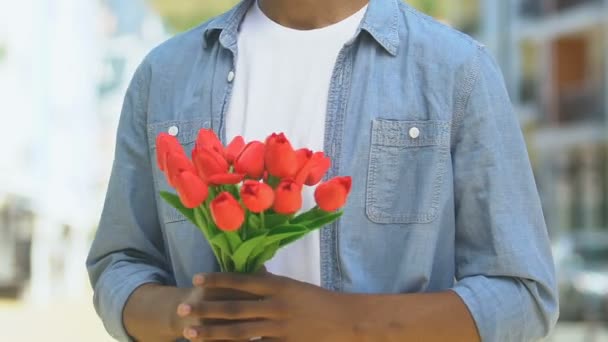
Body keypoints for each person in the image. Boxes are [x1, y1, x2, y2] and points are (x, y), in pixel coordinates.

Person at [86, 0, 559, 341]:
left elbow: (522, 295)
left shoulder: (456, 70)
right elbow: (119, 264)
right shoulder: (164, 74)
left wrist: (344, 323)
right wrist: (186, 315)